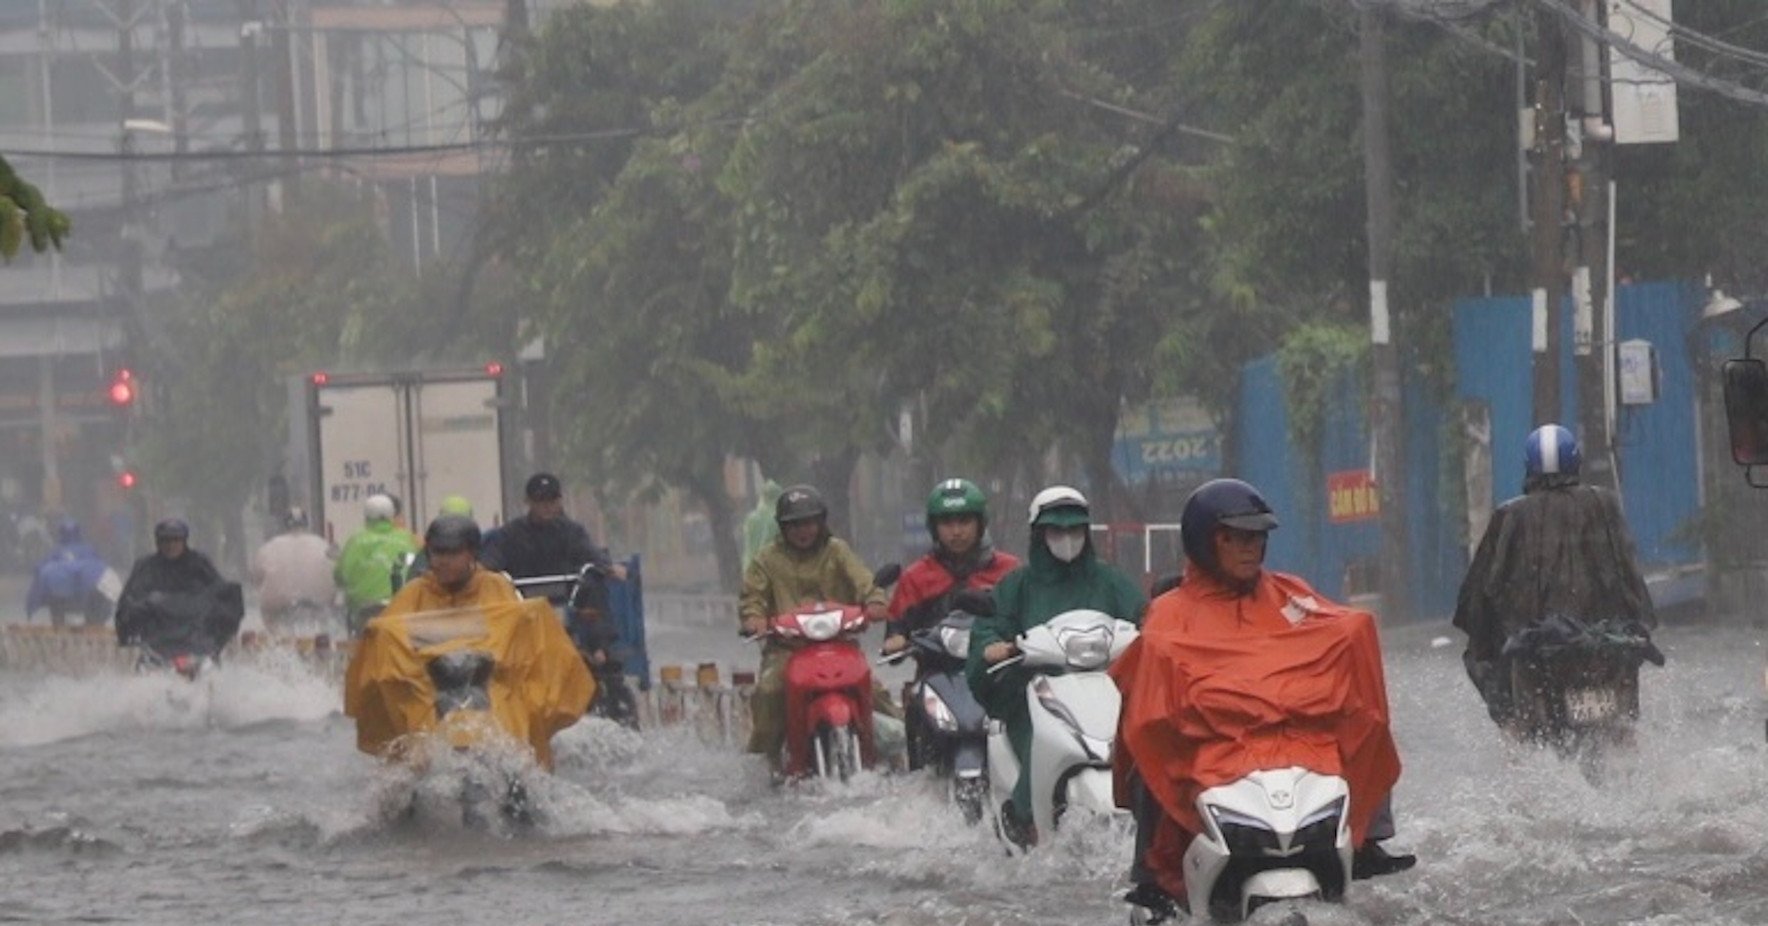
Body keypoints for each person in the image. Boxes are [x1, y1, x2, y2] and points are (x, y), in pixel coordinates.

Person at [1113, 478, 1413, 923]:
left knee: (1366, 723)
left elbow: (1335, 625)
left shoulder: (1288, 594)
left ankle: (1367, 840)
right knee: (1145, 745)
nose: (1249, 548)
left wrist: (1354, 635)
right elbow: (1151, 691)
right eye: (1235, 537)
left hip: (1298, 742)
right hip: (1212, 749)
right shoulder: (1170, 614)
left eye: (1257, 538)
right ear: (1205, 540)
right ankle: (1152, 878)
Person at [967, 485, 1146, 849]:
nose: (1067, 539)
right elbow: (990, 627)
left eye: (1075, 530)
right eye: (1056, 531)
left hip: (1108, 689)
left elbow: (1147, 616)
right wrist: (993, 648)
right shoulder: (1017, 585)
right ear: (1039, 534)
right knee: (1040, 739)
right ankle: (1023, 815)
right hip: (1034, 693)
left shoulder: (1109, 581)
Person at [1453, 424, 1659, 731]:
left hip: (1537, 668)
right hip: (1605, 658)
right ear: (1575, 463)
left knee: (1521, 741)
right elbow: (1631, 581)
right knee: (1622, 742)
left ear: (1529, 468)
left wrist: (1493, 659)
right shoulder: (1604, 504)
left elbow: (1480, 599)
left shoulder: (1510, 516)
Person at [738, 483, 889, 770]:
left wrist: (875, 601)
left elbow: (864, 582)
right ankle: (762, 765)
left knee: (877, 692)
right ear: (782, 528)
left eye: (809, 522)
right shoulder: (766, 560)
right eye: (794, 525)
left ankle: (898, 757)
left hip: (840, 645)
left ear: (821, 522)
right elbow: (752, 597)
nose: (802, 531)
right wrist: (754, 618)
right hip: (787, 650)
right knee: (769, 691)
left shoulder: (837, 551)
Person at [883, 478, 1020, 656]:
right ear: (934, 528)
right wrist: (896, 638)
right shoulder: (915, 577)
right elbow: (895, 629)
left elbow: (1031, 623)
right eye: (947, 523)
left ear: (980, 524)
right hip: (934, 670)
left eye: (964, 521)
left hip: (997, 672)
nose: (956, 531)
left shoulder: (1009, 570)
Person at [114, 518, 242, 656]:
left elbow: (221, 593)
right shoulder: (145, 567)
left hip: (196, 635)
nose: (171, 545)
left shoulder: (199, 564)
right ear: (158, 542)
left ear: (184, 541)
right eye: (166, 540)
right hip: (157, 636)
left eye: (176, 540)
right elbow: (128, 602)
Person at [481, 472, 625, 592]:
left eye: (552, 500)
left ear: (560, 501)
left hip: (567, 604)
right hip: (523, 607)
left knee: (595, 612)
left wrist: (609, 567)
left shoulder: (572, 532)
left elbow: (590, 553)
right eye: (541, 500)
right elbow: (491, 562)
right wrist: (482, 572)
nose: (547, 506)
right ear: (528, 501)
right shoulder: (510, 534)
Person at [377, 514, 519, 613]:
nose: (444, 561)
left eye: (453, 553)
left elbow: (516, 635)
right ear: (428, 554)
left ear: (473, 554)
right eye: (438, 552)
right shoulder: (413, 593)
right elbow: (387, 637)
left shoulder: (496, 587)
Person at [334, 494, 420, 634]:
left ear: (366, 516)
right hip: (398, 607)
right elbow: (416, 571)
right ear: (392, 515)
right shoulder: (406, 539)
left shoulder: (356, 540)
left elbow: (341, 574)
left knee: (356, 643)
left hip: (364, 610)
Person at [249, 507, 337, 632]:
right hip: (319, 606)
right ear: (306, 524)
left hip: (279, 609)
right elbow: (337, 572)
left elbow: (255, 578)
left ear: (284, 525)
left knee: (274, 637)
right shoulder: (323, 545)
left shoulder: (269, 548)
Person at [26, 518, 112, 628]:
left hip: (61, 599)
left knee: (55, 599)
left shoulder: (56, 552)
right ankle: (95, 626)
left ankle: (60, 627)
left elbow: (40, 571)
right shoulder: (89, 550)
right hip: (89, 599)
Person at [742, 480, 783, 571]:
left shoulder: (751, 518)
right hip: (771, 569)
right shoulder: (779, 518)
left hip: (750, 566)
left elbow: (748, 545)